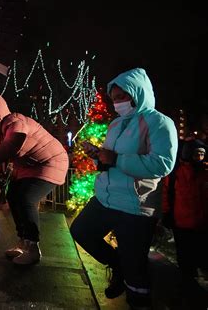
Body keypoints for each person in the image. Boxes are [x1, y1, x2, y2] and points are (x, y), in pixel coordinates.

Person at [70, 68, 178, 308]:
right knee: (81, 231)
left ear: (137, 93)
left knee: (135, 270)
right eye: (114, 98)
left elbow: (163, 164)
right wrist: (98, 156)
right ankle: (118, 266)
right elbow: (111, 158)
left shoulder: (159, 122)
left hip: (136, 207)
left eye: (122, 97)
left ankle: (137, 299)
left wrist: (115, 159)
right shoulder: (116, 124)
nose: (117, 103)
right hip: (106, 198)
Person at [0, 91, 69, 265]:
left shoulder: (15, 122)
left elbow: (10, 148)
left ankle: (33, 248)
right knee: (13, 196)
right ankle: (23, 242)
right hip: (30, 167)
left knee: (26, 197)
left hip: (50, 162)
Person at [162, 139, 207, 281]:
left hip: (202, 222)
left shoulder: (204, 172)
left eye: (202, 154)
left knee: (200, 251)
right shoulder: (176, 173)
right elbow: (166, 193)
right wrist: (166, 212)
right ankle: (187, 280)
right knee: (184, 252)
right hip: (181, 221)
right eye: (197, 154)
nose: (200, 157)